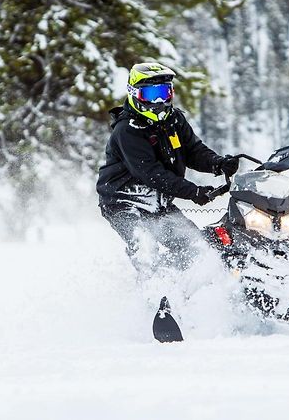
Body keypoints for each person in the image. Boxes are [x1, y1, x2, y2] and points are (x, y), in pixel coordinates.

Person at [96, 62, 239, 271]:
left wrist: (218, 164)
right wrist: (194, 192)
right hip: (123, 201)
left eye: (164, 92)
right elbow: (151, 174)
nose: (159, 101)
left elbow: (193, 150)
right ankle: (154, 297)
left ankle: (186, 289)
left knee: (194, 247)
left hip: (159, 201)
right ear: (134, 94)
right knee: (145, 248)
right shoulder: (127, 130)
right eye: (151, 94)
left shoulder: (174, 119)